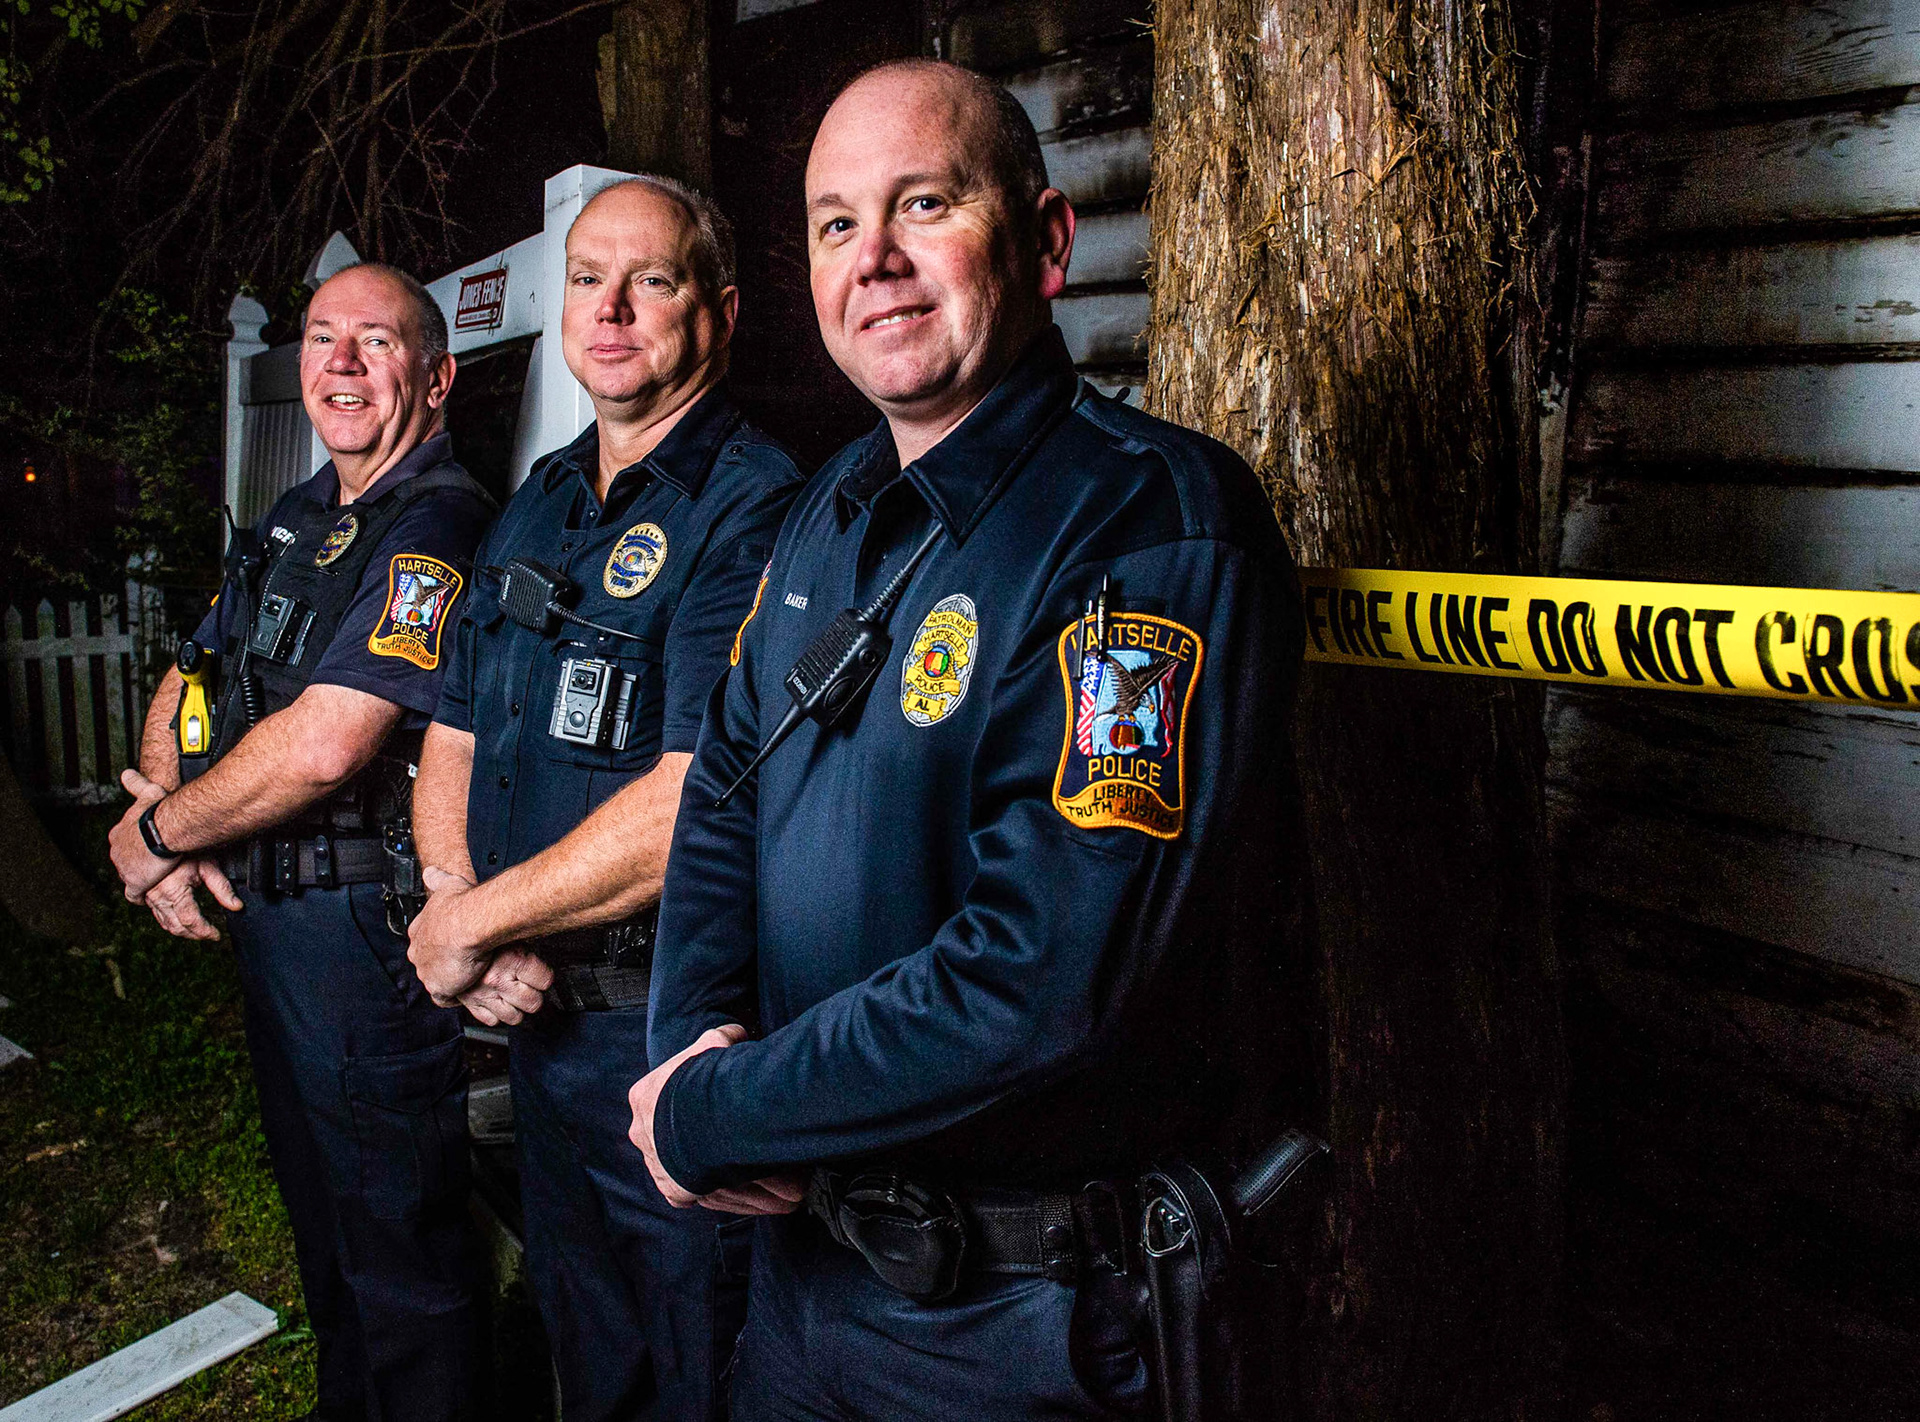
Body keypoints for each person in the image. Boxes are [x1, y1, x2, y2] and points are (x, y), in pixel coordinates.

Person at [630, 59, 1305, 1421]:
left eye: (922, 203)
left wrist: (725, 1112)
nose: (871, 257)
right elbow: (723, 797)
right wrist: (692, 1053)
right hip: (804, 1275)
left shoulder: (1147, 522)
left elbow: (1043, 972)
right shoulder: (827, 515)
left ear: (1047, 241)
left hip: (1019, 1317)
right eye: (834, 223)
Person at [405, 176, 804, 1422]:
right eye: (587, 281)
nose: (612, 309)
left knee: (704, 1368)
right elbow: (452, 729)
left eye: (653, 280)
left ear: (721, 311)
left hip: (664, 1035)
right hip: (539, 1034)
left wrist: (471, 930)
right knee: (593, 1363)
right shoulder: (540, 498)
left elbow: (693, 801)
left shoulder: (758, 508)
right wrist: (456, 900)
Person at [107, 262, 495, 1422]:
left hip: (359, 943)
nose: (339, 363)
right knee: (328, 1238)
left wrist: (156, 834)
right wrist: (162, 817)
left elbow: (331, 741)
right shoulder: (297, 518)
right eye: (324, 339)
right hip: (275, 929)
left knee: (404, 1261)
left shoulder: (438, 522)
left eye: (374, 343)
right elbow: (195, 675)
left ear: (435, 378)